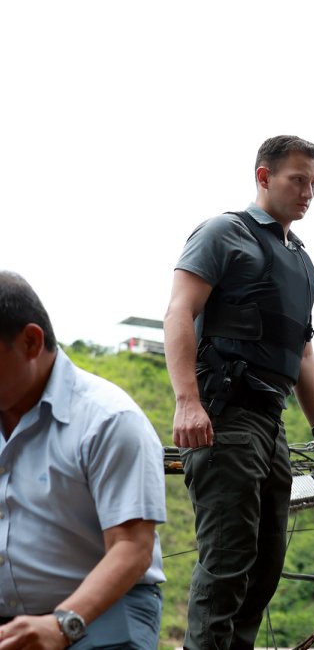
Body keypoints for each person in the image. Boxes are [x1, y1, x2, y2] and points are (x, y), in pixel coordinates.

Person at [165, 135, 314, 649]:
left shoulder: (303, 263)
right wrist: (187, 401)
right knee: (226, 561)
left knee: (265, 565)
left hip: (271, 422)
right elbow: (179, 311)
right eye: (297, 180)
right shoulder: (225, 233)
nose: (308, 192)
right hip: (224, 415)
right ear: (263, 176)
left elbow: (303, 352)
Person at [0, 272, 166, 648]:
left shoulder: (109, 420)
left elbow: (132, 548)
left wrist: (60, 625)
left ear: (30, 342)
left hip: (105, 610)